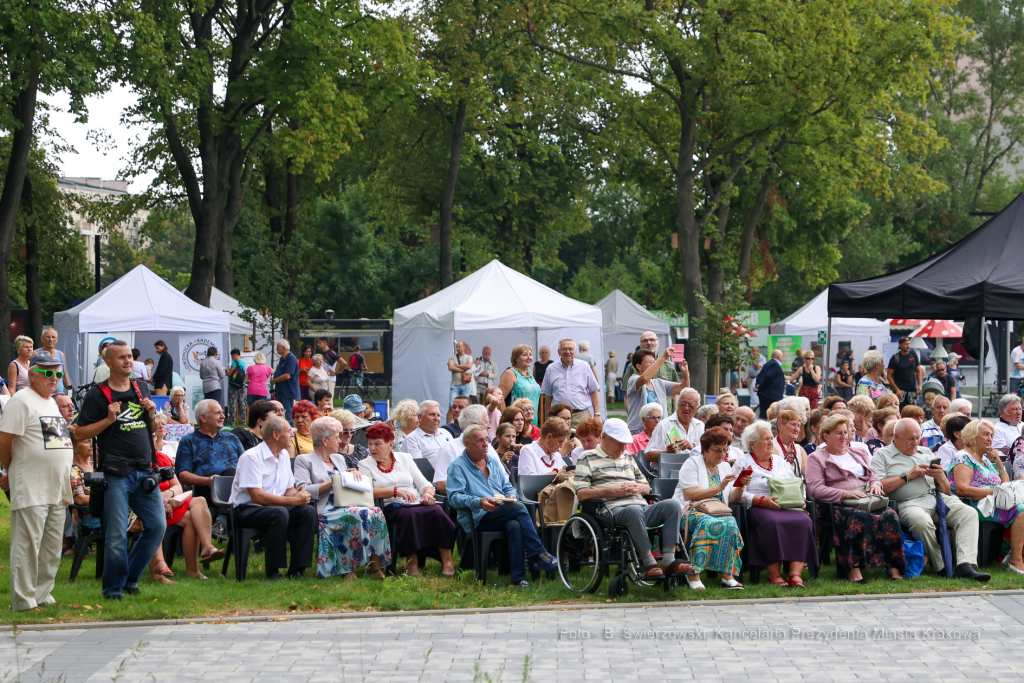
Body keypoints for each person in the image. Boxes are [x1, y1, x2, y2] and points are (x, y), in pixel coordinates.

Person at [72, 340, 167, 599]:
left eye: (129, 357)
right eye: (122, 358)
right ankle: (113, 588)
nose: (128, 361)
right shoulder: (97, 395)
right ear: (109, 363)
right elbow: (78, 433)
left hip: (144, 471)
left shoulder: (141, 388)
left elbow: (144, 430)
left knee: (157, 526)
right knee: (116, 535)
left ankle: (130, 578)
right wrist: (108, 419)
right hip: (116, 473)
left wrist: (150, 414)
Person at [0, 350, 74, 611]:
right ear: (32, 374)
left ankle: (43, 593)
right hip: (31, 483)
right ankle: (23, 600)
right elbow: (5, 440)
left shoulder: (52, 402)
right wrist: (12, 469)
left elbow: (53, 442)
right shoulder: (21, 400)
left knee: (52, 545)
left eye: (57, 373)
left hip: (56, 485)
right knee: (27, 544)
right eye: (47, 373)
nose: (54, 378)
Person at [576, 418, 691, 580]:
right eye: (619, 443)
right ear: (604, 437)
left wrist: (640, 488)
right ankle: (649, 562)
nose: (623, 447)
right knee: (634, 511)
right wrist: (612, 491)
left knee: (672, 505)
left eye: (625, 443)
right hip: (612, 510)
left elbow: (646, 487)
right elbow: (581, 493)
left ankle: (668, 561)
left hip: (640, 506)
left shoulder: (628, 457)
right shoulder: (587, 457)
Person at [873, 418, 988, 581]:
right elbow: (879, 486)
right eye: (910, 438)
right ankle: (941, 565)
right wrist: (907, 476)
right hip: (909, 503)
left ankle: (965, 565)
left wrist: (941, 477)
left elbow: (946, 490)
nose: (915, 442)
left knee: (969, 513)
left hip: (937, 498)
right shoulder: (882, 455)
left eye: (917, 437)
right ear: (896, 436)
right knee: (921, 522)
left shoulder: (925, 452)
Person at [447, 424, 560, 587]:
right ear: (467, 444)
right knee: (520, 509)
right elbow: (454, 497)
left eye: (487, 439)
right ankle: (538, 554)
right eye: (480, 441)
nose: (486, 444)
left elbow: (506, 486)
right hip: (477, 516)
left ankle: (519, 578)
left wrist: (511, 494)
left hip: (501, 511)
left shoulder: (492, 461)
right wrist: (479, 502)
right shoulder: (458, 466)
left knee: (514, 525)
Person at [805, 414, 905, 583]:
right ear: (825, 435)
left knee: (890, 515)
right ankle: (853, 568)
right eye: (838, 433)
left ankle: (892, 566)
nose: (844, 437)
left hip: (866, 499)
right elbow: (815, 490)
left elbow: (873, 475)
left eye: (845, 432)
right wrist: (844, 494)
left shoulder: (858, 452)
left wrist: (876, 485)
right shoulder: (817, 458)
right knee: (857, 517)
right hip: (835, 505)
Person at [293, 417, 390, 579]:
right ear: (325, 440)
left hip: (346, 502)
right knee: (357, 514)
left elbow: (343, 483)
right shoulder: (304, 460)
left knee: (376, 512)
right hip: (325, 508)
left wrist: (352, 476)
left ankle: (375, 566)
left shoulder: (338, 458)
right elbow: (304, 489)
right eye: (336, 437)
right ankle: (347, 569)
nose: (340, 441)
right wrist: (332, 481)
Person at [359, 422, 457, 577]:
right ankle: (412, 564)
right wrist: (395, 491)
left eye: (378, 444)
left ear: (390, 444)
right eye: (370, 444)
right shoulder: (365, 464)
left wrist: (428, 494)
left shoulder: (405, 458)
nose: (372, 448)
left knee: (437, 511)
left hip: (416, 501)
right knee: (410, 516)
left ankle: (447, 561)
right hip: (391, 506)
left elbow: (425, 484)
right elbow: (367, 491)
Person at [230, 416, 317, 579]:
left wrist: (299, 496)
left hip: (274, 508)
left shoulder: (283, 456)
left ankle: (297, 569)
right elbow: (256, 496)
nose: (292, 434)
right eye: (289, 431)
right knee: (279, 513)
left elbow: (289, 489)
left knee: (308, 512)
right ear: (276, 435)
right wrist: (292, 501)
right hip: (247, 510)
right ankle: (273, 571)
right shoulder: (252, 457)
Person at [735, 421, 817, 587]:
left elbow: (797, 482)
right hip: (759, 506)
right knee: (772, 523)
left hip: (786, 505)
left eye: (771, 438)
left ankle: (795, 573)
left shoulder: (779, 461)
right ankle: (774, 574)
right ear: (753, 444)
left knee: (804, 521)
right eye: (766, 439)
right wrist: (760, 501)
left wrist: (800, 499)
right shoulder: (743, 462)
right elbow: (737, 492)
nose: (771, 442)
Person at [948, 420, 1024, 575]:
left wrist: (998, 462)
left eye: (991, 435)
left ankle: (1016, 557)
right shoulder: (963, 456)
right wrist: (995, 493)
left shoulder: (985, 460)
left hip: (993, 504)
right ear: (972, 436)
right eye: (985, 434)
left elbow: (1006, 487)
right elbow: (962, 489)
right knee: (1022, 510)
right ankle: (1015, 560)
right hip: (975, 505)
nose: (990, 438)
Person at [675, 428, 745, 589]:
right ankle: (693, 574)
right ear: (705, 450)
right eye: (717, 449)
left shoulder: (725, 467)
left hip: (717, 512)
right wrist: (718, 488)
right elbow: (690, 494)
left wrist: (741, 485)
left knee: (730, 522)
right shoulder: (692, 463)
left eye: (725, 449)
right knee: (706, 522)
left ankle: (727, 575)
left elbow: (731, 499)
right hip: (689, 511)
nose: (722, 454)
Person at [153, 444, 225, 579]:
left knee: (199, 501)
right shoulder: (136, 463)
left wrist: (169, 495)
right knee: (192, 517)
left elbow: (177, 486)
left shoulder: (161, 459)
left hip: (169, 505)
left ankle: (206, 548)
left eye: (152, 437)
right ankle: (196, 563)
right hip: (149, 507)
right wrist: (160, 500)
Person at [174, 399, 243, 515]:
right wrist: (208, 481)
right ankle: (224, 519)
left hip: (239, 486)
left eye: (222, 412)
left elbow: (246, 465)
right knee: (228, 475)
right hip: (208, 490)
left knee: (232, 473)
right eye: (217, 413)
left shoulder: (232, 438)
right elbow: (183, 475)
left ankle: (222, 521)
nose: (223, 416)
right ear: (203, 418)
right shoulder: (189, 441)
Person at [431, 405, 500, 493]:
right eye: (486, 422)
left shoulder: (489, 447)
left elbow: (504, 478)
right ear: (475, 426)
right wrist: (478, 487)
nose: (489, 426)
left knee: (518, 506)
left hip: (497, 497)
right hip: (467, 501)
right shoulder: (449, 448)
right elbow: (441, 484)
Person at [625, 348, 689, 434]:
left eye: (654, 362)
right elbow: (644, 378)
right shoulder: (633, 379)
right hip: (639, 431)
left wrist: (686, 375)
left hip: (661, 430)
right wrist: (663, 358)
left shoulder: (659, 383)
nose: (653, 365)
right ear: (638, 366)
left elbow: (683, 388)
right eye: (649, 362)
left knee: (677, 444)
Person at [540, 338, 601, 428]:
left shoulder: (584, 366)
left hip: (581, 415)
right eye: (564, 349)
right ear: (558, 352)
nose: (567, 352)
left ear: (575, 351)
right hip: (559, 416)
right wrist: (548, 418)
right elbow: (548, 396)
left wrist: (597, 414)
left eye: (571, 349)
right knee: (559, 441)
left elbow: (593, 391)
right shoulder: (551, 369)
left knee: (584, 441)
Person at [621, 332, 680, 413]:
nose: (649, 343)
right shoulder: (632, 367)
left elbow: (675, 394)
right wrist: (632, 415)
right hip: (643, 419)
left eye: (652, 340)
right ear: (641, 345)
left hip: (666, 417)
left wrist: (675, 415)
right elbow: (627, 396)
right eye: (645, 340)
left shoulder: (668, 366)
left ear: (658, 343)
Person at [646, 387, 705, 463]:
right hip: (667, 472)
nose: (686, 408)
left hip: (692, 471)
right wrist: (668, 452)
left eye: (691, 405)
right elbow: (649, 456)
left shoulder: (700, 426)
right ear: (678, 404)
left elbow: (707, 452)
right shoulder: (664, 425)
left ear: (697, 408)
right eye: (683, 404)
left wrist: (692, 446)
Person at [498, 344, 541, 424]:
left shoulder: (529, 372)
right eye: (525, 355)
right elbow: (500, 399)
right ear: (516, 358)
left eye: (530, 355)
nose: (529, 357)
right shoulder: (510, 373)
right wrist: (505, 420)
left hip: (532, 421)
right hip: (516, 422)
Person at [403, 400, 452, 464]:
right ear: (420, 417)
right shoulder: (412, 439)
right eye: (432, 414)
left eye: (438, 415)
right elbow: (420, 467)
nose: (436, 418)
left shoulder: (445, 433)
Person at [886, 336, 923, 409]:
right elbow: (889, 376)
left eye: (909, 344)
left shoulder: (913, 354)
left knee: (912, 411)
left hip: (912, 390)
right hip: (900, 390)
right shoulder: (895, 358)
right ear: (900, 345)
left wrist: (920, 385)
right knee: (900, 411)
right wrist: (896, 389)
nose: (908, 346)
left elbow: (918, 371)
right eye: (906, 344)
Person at [269, 340, 300, 421]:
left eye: (278, 347)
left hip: (288, 392)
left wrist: (275, 380)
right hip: (281, 391)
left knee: (288, 415)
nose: (276, 349)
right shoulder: (282, 359)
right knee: (279, 414)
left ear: (284, 348)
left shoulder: (291, 359)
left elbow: (287, 375)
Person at [773, 409, 807, 476]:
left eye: (798, 426)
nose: (796, 429)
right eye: (793, 424)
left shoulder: (800, 449)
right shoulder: (772, 447)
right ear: (780, 426)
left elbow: (808, 475)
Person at [753, 350, 785, 418]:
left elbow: (759, 376)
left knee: (763, 414)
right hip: (771, 396)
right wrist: (760, 386)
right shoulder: (775, 365)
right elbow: (768, 377)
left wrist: (758, 385)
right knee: (771, 415)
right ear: (779, 357)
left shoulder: (767, 364)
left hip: (764, 394)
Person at [38, 327, 71, 391]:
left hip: (59, 396)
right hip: (43, 395)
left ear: (57, 339)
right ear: (42, 339)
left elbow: (64, 374)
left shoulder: (61, 354)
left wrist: (70, 392)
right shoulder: (36, 354)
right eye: (48, 337)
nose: (51, 339)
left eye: (53, 337)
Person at [447, 340, 474, 413]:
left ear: (464, 347)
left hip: (465, 384)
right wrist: (462, 368)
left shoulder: (469, 357)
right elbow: (450, 368)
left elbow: (469, 366)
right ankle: (448, 424)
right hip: (455, 384)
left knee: (465, 406)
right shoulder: (452, 357)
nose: (457, 348)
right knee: (451, 406)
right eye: (457, 347)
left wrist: (457, 366)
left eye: (459, 346)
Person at [226, 349, 247, 426]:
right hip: (241, 385)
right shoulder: (243, 363)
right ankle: (243, 420)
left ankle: (232, 422)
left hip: (233, 386)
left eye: (232, 355)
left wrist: (226, 371)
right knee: (242, 403)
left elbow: (229, 374)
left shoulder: (234, 363)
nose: (232, 357)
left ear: (235, 354)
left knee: (233, 404)